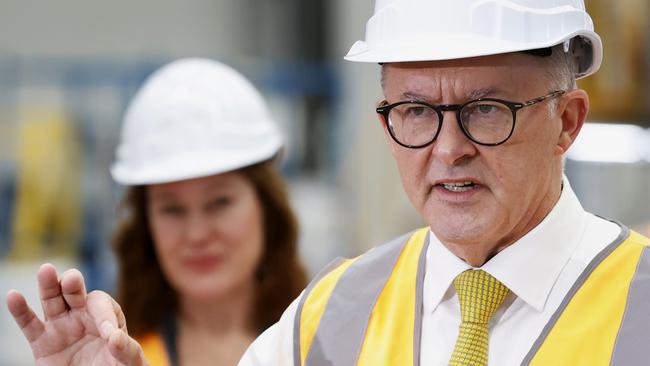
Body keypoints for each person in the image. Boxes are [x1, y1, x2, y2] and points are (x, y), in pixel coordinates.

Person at [5, 1, 650, 365]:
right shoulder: (330, 319)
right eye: (417, 112)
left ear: (567, 120)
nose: (449, 150)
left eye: (486, 110)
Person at [6, 58, 307, 366]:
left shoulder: (325, 341)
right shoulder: (114, 356)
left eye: (219, 202)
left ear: (266, 207)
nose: (197, 233)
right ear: (146, 224)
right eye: (172, 209)